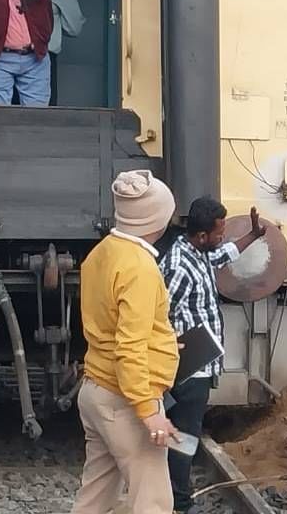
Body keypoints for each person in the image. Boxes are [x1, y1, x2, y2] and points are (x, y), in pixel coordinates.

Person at [71, 170, 179, 514]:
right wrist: (149, 413)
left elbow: (113, 326)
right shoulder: (140, 268)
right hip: (126, 400)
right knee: (154, 501)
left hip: (96, 390)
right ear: (157, 219)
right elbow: (129, 348)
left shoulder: (102, 252)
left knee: (96, 496)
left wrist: (162, 344)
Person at [160, 198, 267, 514]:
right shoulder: (178, 266)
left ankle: (175, 495)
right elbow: (156, 312)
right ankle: (179, 502)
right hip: (188, 366)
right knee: (184, 434)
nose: (224, 237)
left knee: (186, 432)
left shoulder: (197, 252)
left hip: (200, 361)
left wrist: (254, 235)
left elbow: (224, 254)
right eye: (220, 232)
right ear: (202, 235)